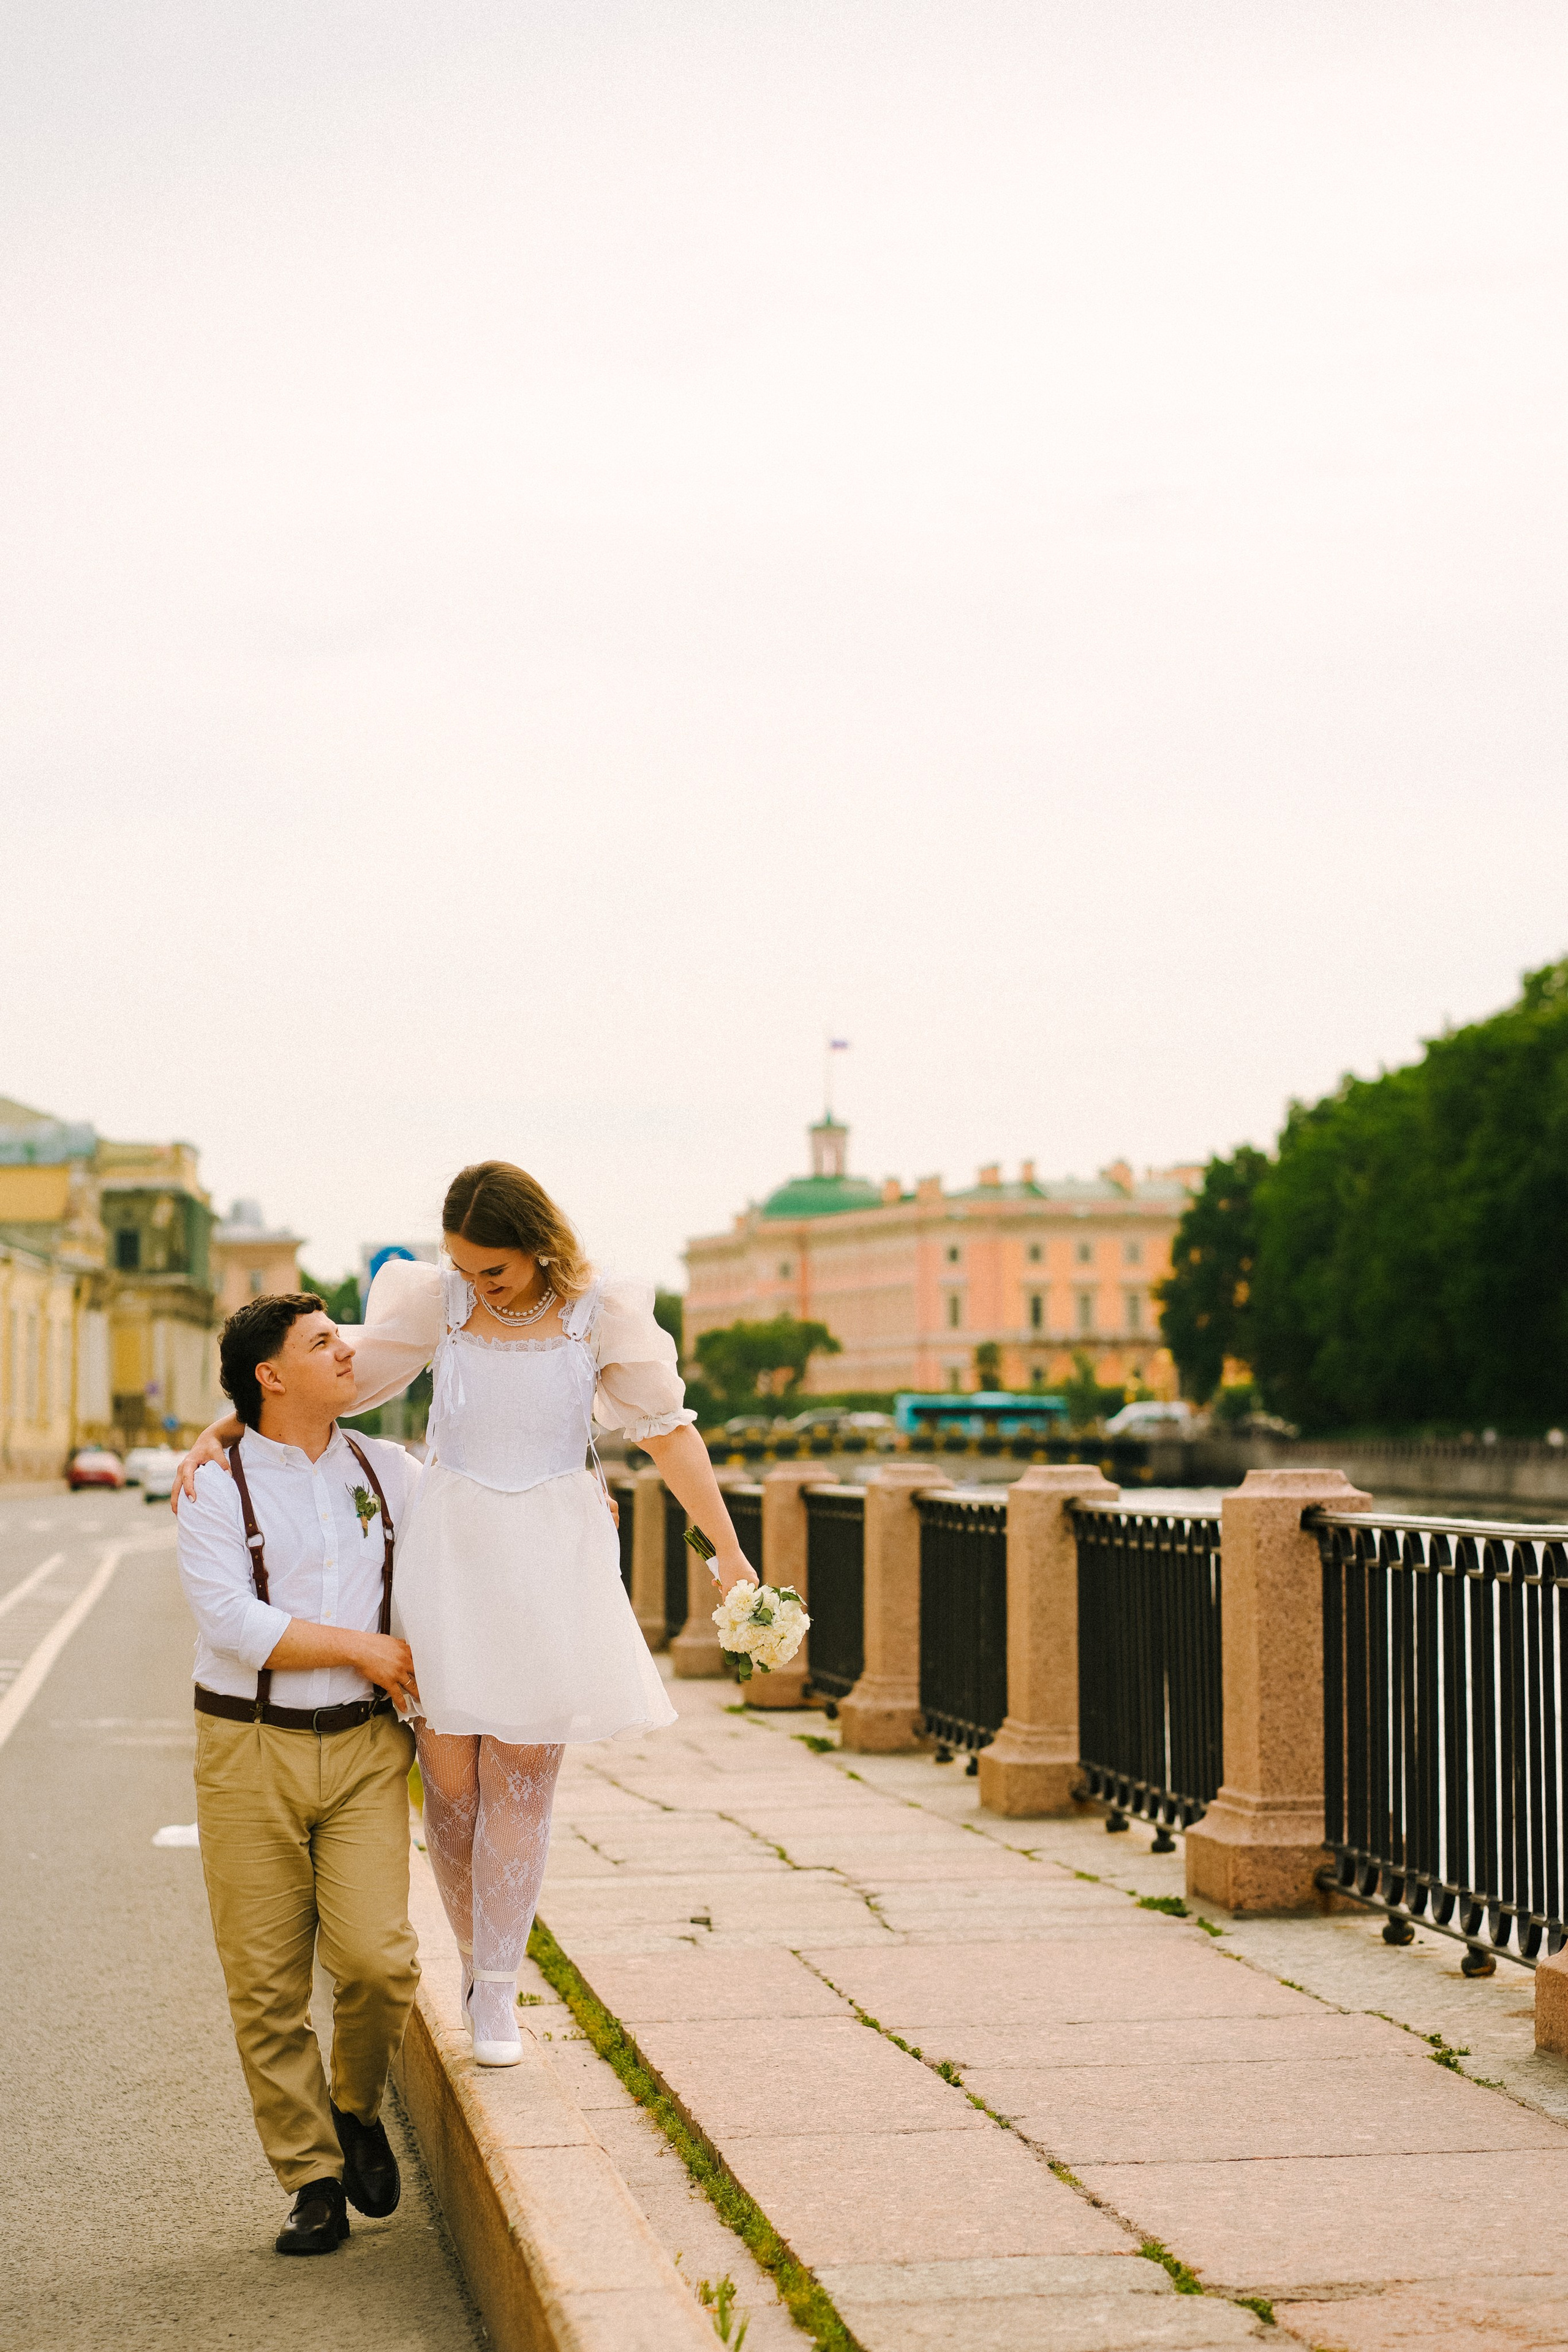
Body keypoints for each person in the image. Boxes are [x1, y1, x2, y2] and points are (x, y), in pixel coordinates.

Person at [179, 1160, 756, 2071]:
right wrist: (223, 1431)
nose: (478, 1283)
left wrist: (727, 1552)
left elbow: (667, 1430)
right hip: (450, 1553)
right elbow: (334, 1381)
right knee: (449, 1783)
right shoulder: (434, 1302)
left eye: (493, 1268)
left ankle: (497, 1983)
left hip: (552, 1555)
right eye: (465, 1265)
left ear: (538, 1244)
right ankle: (467, 1955)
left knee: (523, 1777)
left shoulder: (602, 1311)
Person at [175, 1292, 425, 2256]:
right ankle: (311, 2178)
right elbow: (231, 1624)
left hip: (365, 1750)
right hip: (247, 1749)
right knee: (267, 1986)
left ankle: (354, 2106)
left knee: (378, 1960)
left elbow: (478, 1517)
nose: (346, 1351)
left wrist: (577, 1502)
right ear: (272, 1376)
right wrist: (362, 1648)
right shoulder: (213, 1486)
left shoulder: (389, 1468)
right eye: (323, 1343)